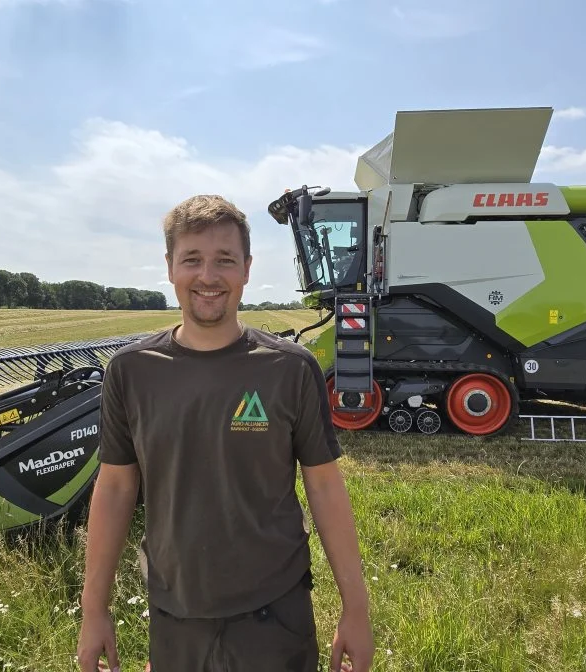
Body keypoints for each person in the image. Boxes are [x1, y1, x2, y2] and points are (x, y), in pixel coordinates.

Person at [75, 194, 375, 672]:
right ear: (170, 267)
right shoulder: (131, 372)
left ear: (247, 269)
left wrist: (355, 608)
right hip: (175, 612)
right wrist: (94, 611)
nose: (208, 276)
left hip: (274, 614)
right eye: (191, 259)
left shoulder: (290, 369)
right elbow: (114, 488)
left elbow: (324, 486)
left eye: (225, 261)